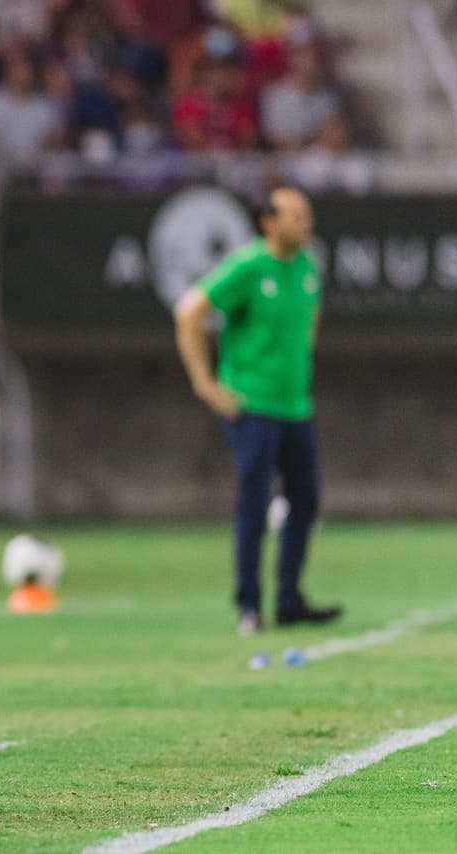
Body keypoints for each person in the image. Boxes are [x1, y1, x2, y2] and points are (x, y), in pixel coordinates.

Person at [173, 186, 341, 636]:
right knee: (254, 503)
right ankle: (249, 605)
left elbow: (310, 314)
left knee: (305, 501)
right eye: (297, 216)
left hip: (296, 406)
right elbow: (189, 312)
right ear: (269, 222)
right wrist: (206, 384)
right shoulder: (249, 266)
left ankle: (289, 599)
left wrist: (301, 361)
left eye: (308, 215)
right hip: (253, 406)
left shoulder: (307, 265)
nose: (307, 224)